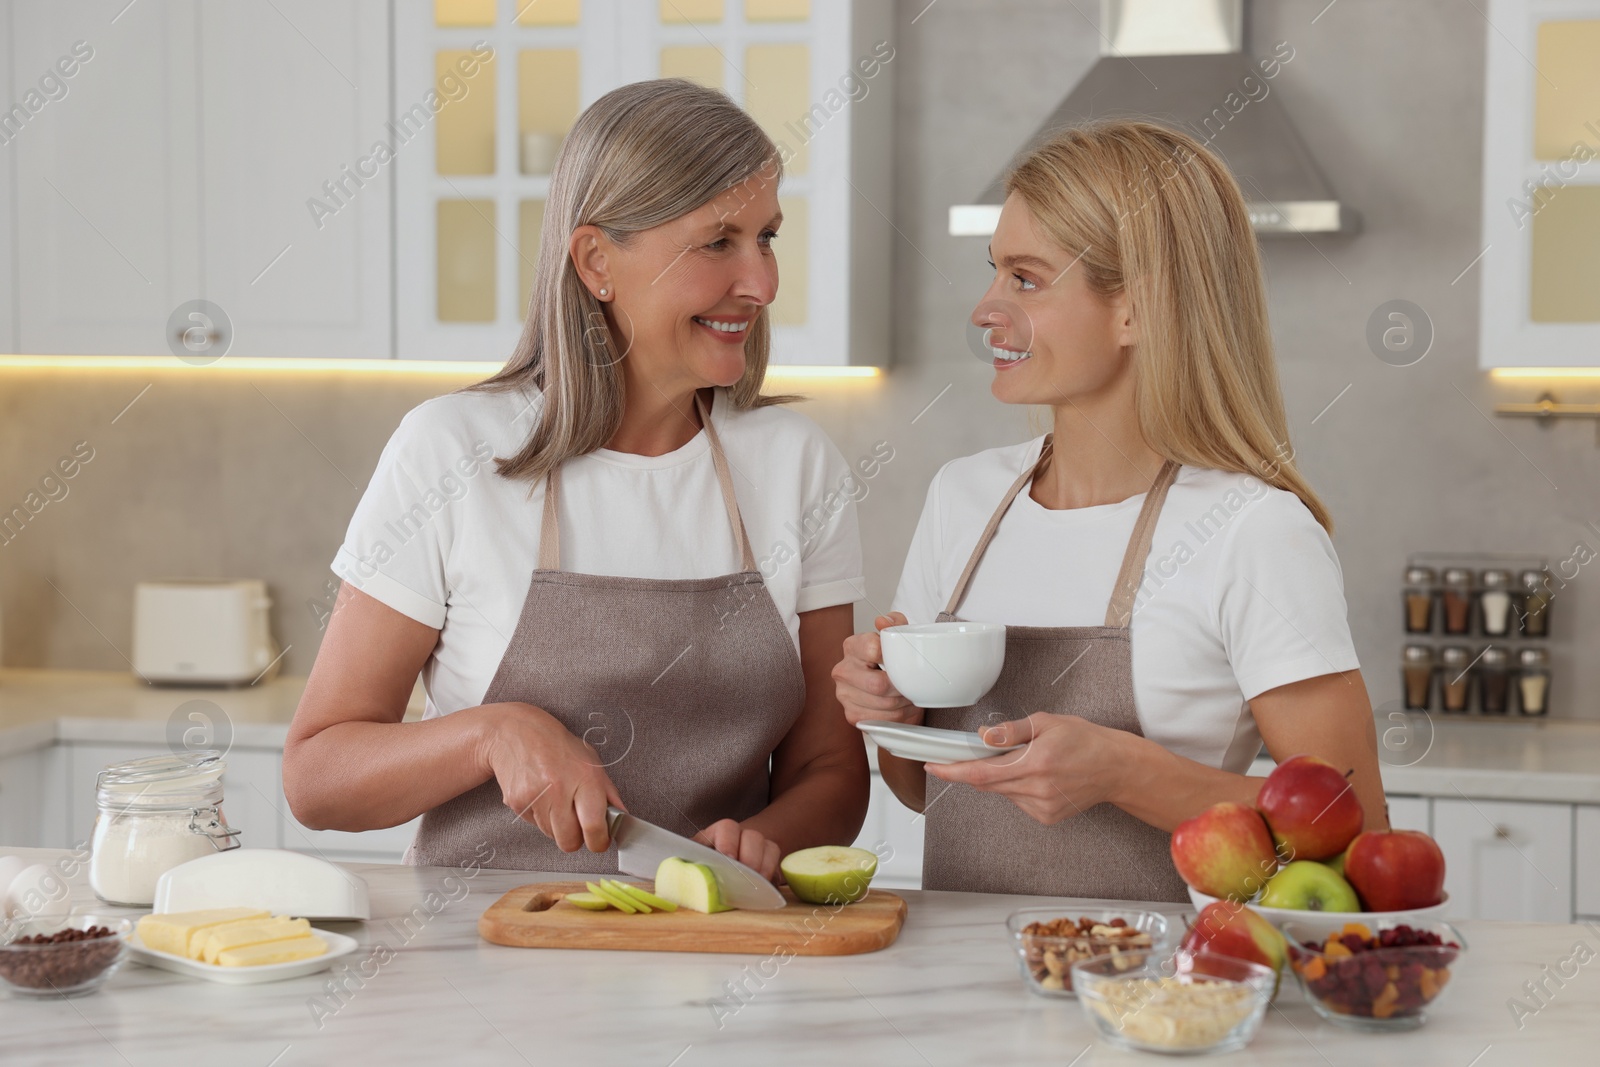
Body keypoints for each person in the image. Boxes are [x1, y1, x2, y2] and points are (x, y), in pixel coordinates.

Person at [284, 80, 869, 880]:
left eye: (765, 238)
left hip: (713, 958)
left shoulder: (796, 464)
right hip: (483, 967)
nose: (761, 283)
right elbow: (317, 778)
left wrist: (761, 843)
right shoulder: (452, 451)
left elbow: (829, 770)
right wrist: (492, 733)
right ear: (597, 261)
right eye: (718, 242)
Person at [834, 120, 1384, 900]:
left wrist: (1128, 771)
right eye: (993, 272)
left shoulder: (1253, 532)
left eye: (1025, 279)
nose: (985, 309)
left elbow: (1355, 832)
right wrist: (893, 708)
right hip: (950, 996)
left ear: (1137, 310)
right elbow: (926, 789)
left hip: (1157, 1001)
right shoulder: (963, 498)